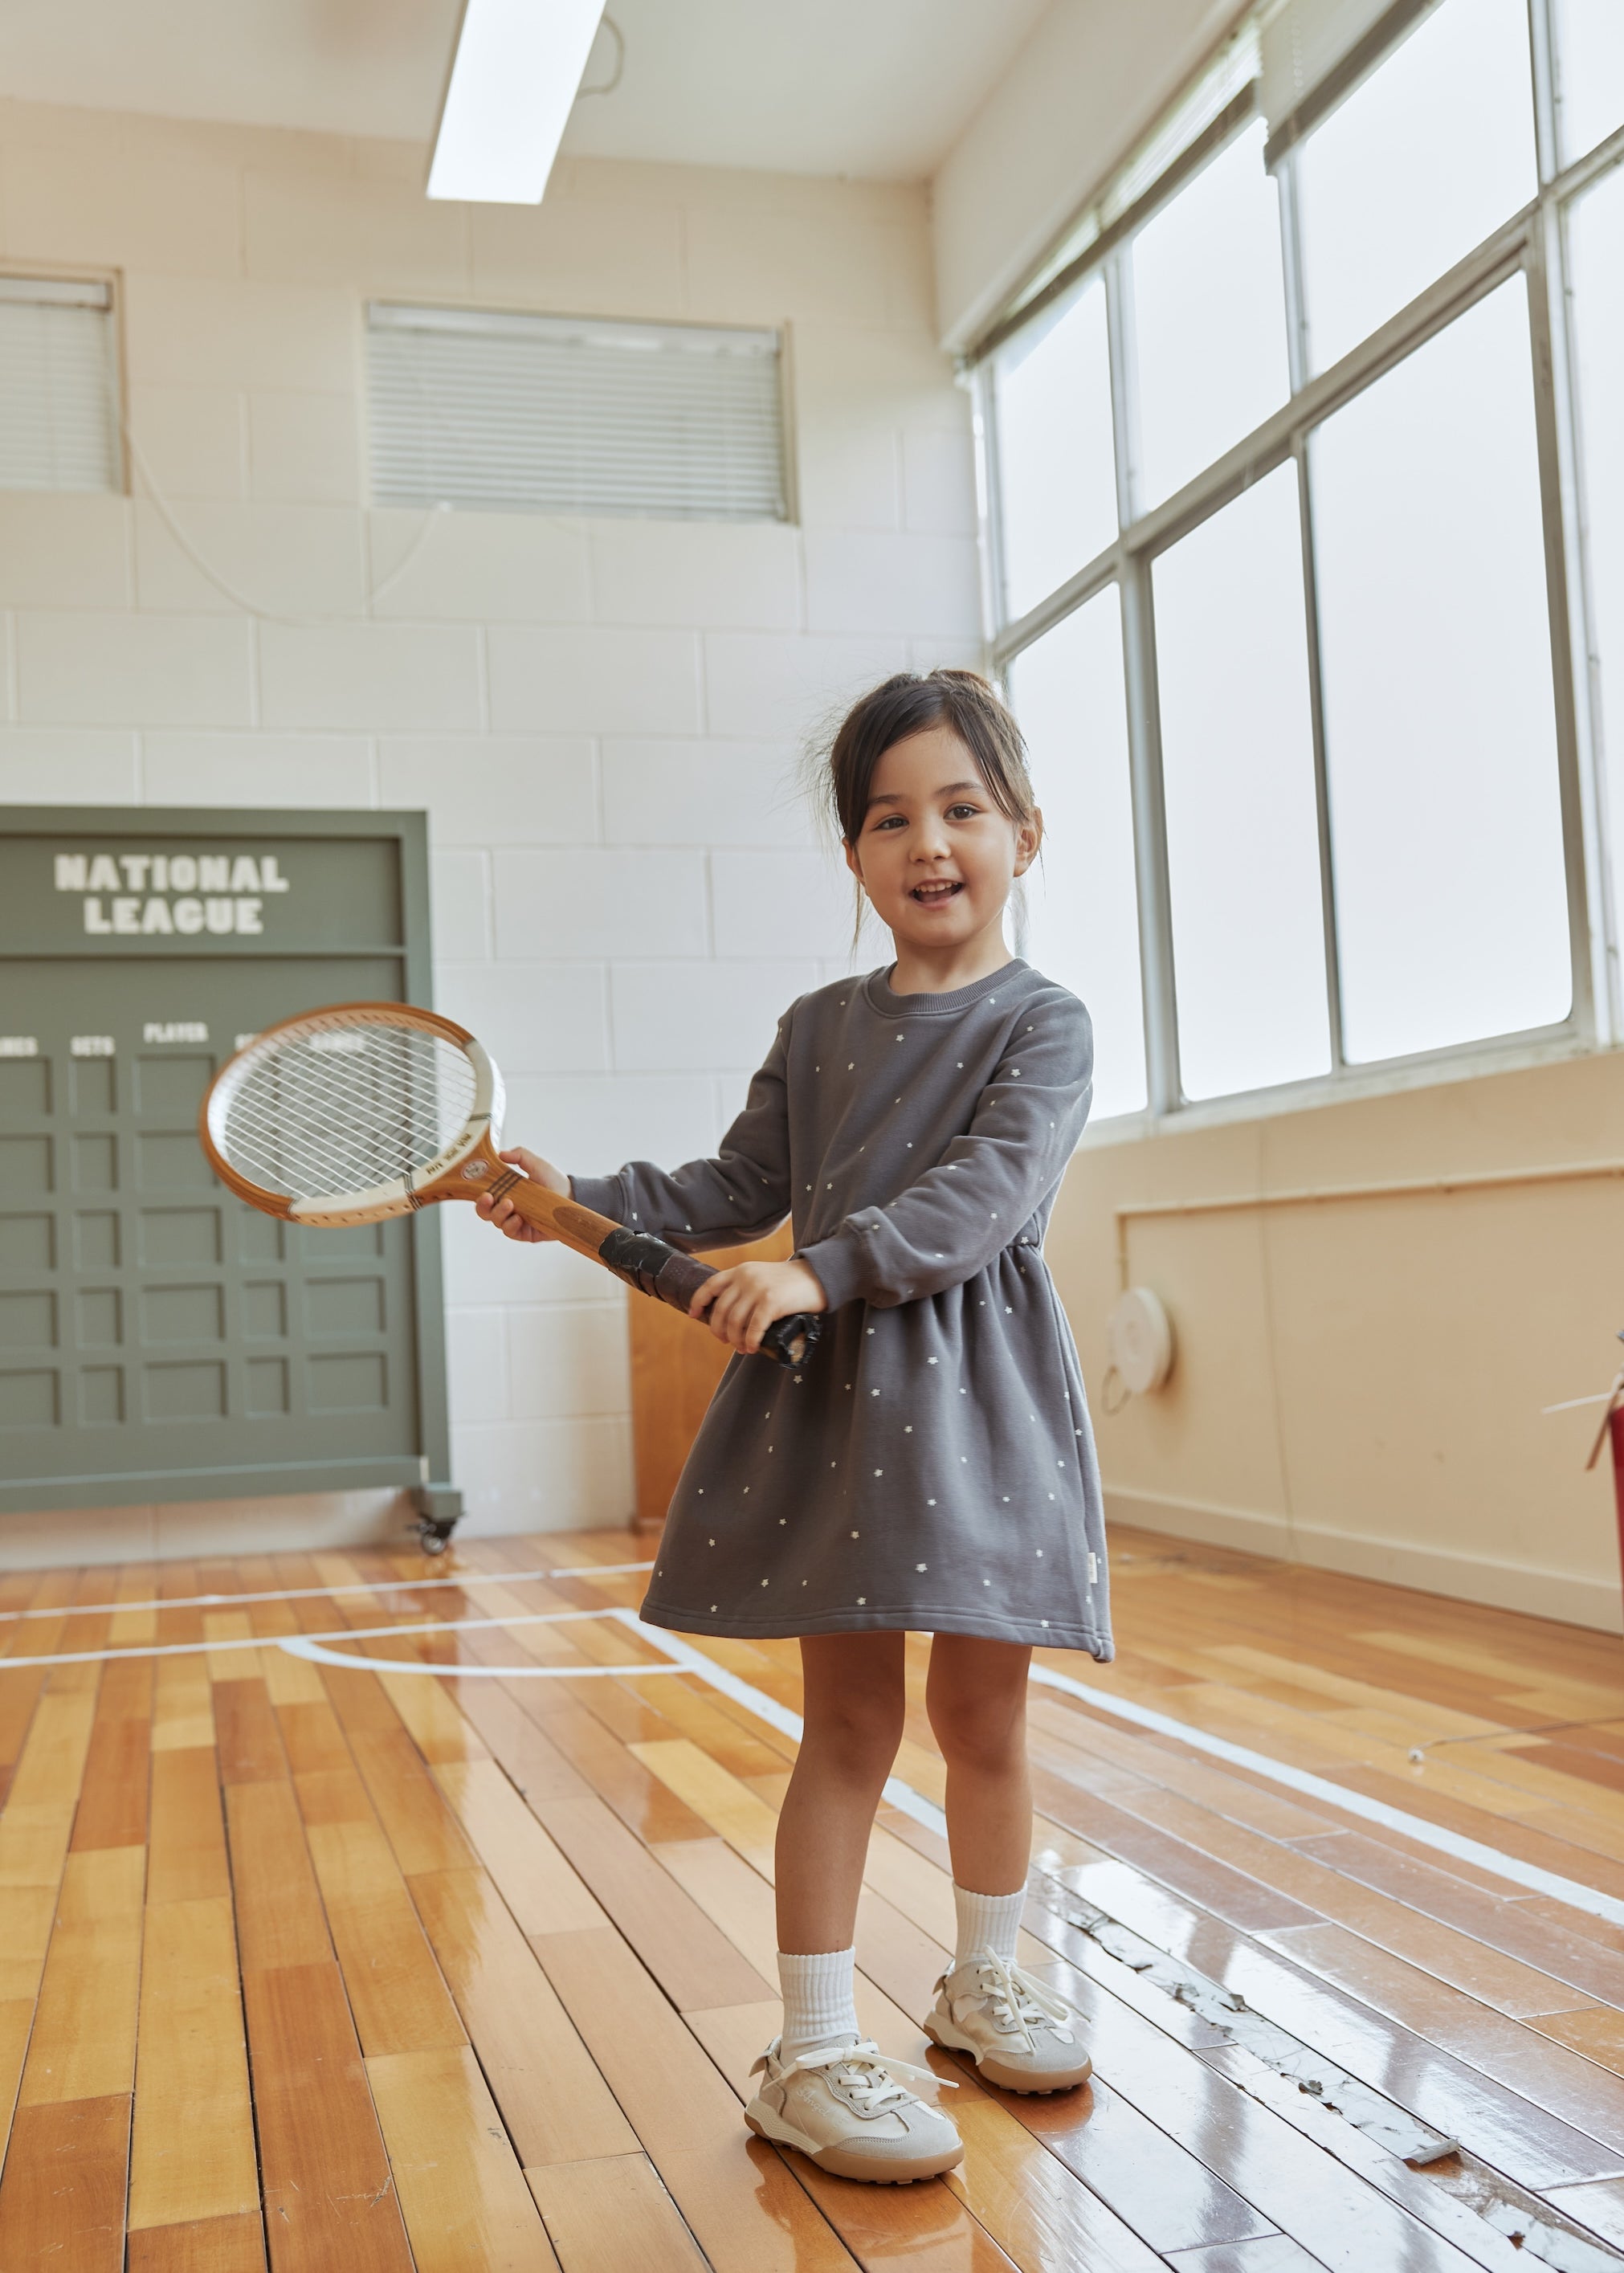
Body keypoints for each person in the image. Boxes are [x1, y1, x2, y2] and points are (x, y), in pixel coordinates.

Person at [479, 669, 1110, 2185]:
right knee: (848, 1726)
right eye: (889, 817)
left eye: (961, 807)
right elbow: (725, 1182)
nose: (928, 840)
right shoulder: (818, 1024)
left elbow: (982, 1201)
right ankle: (815, 2044)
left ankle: (982, 1975)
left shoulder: (1046, 1023)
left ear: (1025, 831)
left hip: (986, 1407)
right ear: (853, 857)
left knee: (985, 1723)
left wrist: (819, 1268)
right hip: (843, 1411)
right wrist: (579, 1199)